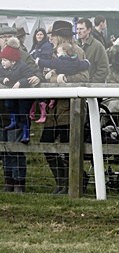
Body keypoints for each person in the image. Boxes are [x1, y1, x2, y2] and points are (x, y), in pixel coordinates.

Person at [40, 20, 89, 194]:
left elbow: (84, 77)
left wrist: (63, 79)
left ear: (59, 36)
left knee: (69, 146)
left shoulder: (77, 52)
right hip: (53, 109)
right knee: (46, 144)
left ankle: (74, 181)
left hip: (70, 108)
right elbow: (46, 75)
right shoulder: (51, 53)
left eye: (53, 35)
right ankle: (62, 181)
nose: (50, 38)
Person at [0, 44, 42, 191]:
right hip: (3, 111)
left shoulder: (23, 57)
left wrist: (35, 78)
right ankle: (8, 180)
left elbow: (35, 73)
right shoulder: (3, 63)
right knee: (4, 149)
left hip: (16, 111)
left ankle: (18, 182)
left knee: (15, 148)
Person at [76, 18, 110, 83]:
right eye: (77, 29)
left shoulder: (97, 46)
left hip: (92, 86)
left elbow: (104, 68)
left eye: (81, 29)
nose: (78, 31)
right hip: (76, 85)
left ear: (89, 30)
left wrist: (92, 82)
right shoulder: (75, 46)